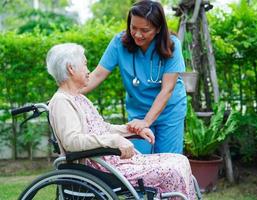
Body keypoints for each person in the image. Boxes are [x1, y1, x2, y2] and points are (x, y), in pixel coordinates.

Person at [46, 43, 196, 199]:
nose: (88, 70)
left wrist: (132, 130)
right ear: (71, 69)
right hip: (102, 169)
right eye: (84, 65)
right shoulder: (62, 102)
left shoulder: (78, 98)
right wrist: (114, 141)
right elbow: (72, 141)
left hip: (112, 164)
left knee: (179, 160)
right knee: (172, 169)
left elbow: (103, 128)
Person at [81, 0, 187, 154]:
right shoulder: (119, 43)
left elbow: (167, 90)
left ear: (158, 29)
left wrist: (147, 122)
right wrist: (67, 93)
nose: (137, 34)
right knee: (138, 160)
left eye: (145, 30)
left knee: (168, 160)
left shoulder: (172, 45)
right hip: (138, 113)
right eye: (133, 27)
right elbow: (97, 75)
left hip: (169, 112)